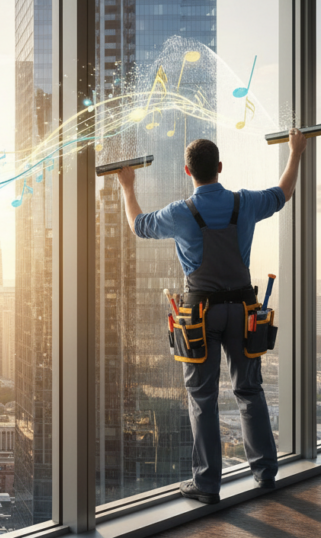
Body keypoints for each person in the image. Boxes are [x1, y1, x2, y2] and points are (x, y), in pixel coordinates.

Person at [115, 128, 307, 504]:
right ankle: (265, 473)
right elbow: (284, 193)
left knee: (202, 398)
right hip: (242, 312)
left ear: (188, 172)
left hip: (199, 316)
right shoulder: (245, 202)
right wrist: (295, 151)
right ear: (219, 167)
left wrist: (127, 185)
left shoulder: (179, 213)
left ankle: (207, 484)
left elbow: (137, 224)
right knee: (250, 391)